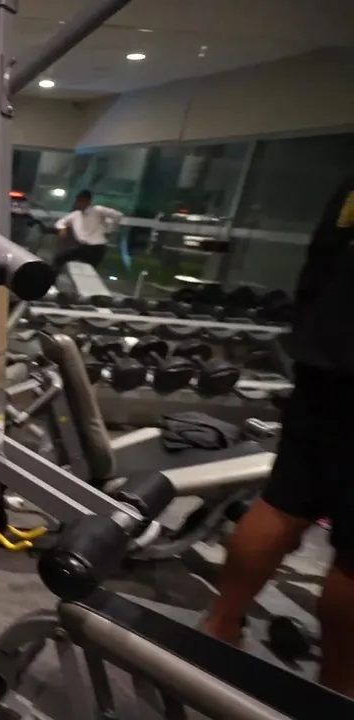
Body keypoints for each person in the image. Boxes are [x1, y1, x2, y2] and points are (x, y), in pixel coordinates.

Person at [202, 173, 354, 698]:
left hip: (325, 363)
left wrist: (313, 338)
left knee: (284, 503)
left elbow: (319, 262)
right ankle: (338, 692)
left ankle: (220, 624)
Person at [52, 190, 123, 268]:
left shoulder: (97, 210)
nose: (78, 204)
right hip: (83, 246)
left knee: (86, 267)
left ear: (88, 201)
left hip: (97, 247)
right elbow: (61, 222)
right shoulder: (75, 214)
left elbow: (118, 215)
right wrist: (62, 229)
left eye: (81, 201)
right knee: (59, 258)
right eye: (78, 201)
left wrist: (109, 229)